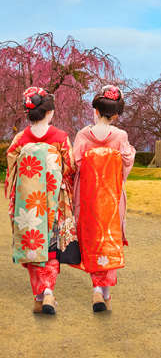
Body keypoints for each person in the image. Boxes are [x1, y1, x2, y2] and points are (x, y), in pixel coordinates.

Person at [5, 87, 78, 315]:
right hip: (52, 202)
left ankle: (39, 295)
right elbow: (70, 168)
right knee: (50, 247)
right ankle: (47, 293)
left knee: (32, 247)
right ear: (50, 113)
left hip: (27, 204)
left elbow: (12, 171)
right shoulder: (60, 138)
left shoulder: (20, 140)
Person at [73, 85, 135, 312]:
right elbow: (125, 165)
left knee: (92, 238)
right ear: (116, 114)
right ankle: (103, 292)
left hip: (88, 198)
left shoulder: (82, 135)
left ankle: (97, 288)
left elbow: (75, 165)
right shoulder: (120, 136)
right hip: (110, 198)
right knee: (110, 237)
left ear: (95, 110)